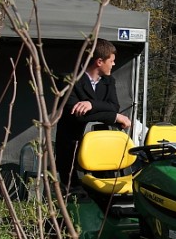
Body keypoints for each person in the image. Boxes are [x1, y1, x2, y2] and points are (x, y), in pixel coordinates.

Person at [56, 39, 132, 188]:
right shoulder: (68, 81)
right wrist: (114, 117)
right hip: (72, 148)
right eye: (111, 60)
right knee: (74, 191)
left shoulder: (109, 81)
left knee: (104, 190)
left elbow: (113, 106)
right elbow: (78, 116)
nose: (114, 64)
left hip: (102, 148)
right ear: (99, 61)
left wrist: (91, 104)